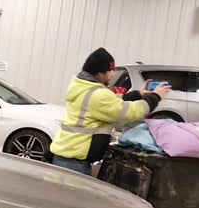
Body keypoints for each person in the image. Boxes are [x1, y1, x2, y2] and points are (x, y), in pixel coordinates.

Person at [50, 47, 171, 175]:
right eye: (110, 70)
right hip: (74, 163)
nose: (113, 74)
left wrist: (137, 94)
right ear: (99, 73)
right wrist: (155, 97)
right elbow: (128, 112)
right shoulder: (98, 95)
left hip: (66, 156)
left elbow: (110, 102)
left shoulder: (82, 87)